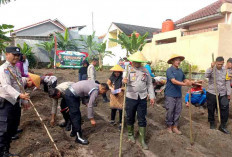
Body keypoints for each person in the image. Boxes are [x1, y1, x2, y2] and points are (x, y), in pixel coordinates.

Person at [0, 47, 30, 156]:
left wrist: (24, 100)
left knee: (12, 128)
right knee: (4, 130)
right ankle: (2, 152)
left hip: (16, 102)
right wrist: (19, 95)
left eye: (18, 55)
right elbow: (6, 85)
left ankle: (6, 151)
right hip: (6, 102)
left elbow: (20, 85)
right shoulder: (4, 69)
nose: (16, 57)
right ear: (7, 54)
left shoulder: (16, 69)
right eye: (14, 55)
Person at [122, 51, 155, 150]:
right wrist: (124, 81)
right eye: (136, 61)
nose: (138, 64)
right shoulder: (128, 69)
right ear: (132, 61)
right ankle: (130, 134)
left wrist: (152, 96)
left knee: (142, 118)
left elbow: (149, 84)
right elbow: (123, 81)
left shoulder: (145, 70)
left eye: (139, 62)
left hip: (142, 97)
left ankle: (142, 140)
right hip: (131, 97)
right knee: (130, 116)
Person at [64, 80, 109, 145]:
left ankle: (73, 132)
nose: (102, 94)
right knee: (76, 116)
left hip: (71, 93)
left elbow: (84, 90)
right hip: (71, 95)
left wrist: (85, 102)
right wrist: (91, 119)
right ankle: (78, 138)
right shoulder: (95, 91)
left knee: (74, 113)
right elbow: (90, 105)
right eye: (103, 92)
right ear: (102, 88)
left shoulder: (95, 84)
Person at [165, 54, 192, 135]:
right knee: (170, 110)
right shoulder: (169, 70)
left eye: (179, 60)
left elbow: (184, 78)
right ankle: (169, 126)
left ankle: (175, 126)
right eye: (176, 60)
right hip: (170, 94)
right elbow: (173, 81)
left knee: (178, 111)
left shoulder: (180, 71)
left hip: (178, 94)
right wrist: (185, 84)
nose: (178, 62)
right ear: (172, 61)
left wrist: (188, 81)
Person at [205, 56, 231, 134]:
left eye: (221, 64)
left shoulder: (225, 70)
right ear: (216, 63)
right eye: (218, 64)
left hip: (223, 93)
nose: (220, 65)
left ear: (223, 63)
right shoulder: (211, 69)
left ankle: (222, 125)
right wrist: (211, 68)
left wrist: (228, 93)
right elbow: (206, 76)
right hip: (212, 92)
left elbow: (227, 82)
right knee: (211, 108)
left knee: (225, 108)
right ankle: (212, 123)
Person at [107, 65, 124, 130]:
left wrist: (121, 89)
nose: (117, 73)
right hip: (113, 95)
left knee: (120, 109)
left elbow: (126, 87)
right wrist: (111, 88)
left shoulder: (122, 78)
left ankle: (120, 123)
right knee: (113, 108)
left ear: (120, 73)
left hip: (120, 95)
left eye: (118, 72)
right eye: (115, 72)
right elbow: (108, 84)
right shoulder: (111, 77)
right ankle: (112, 120)